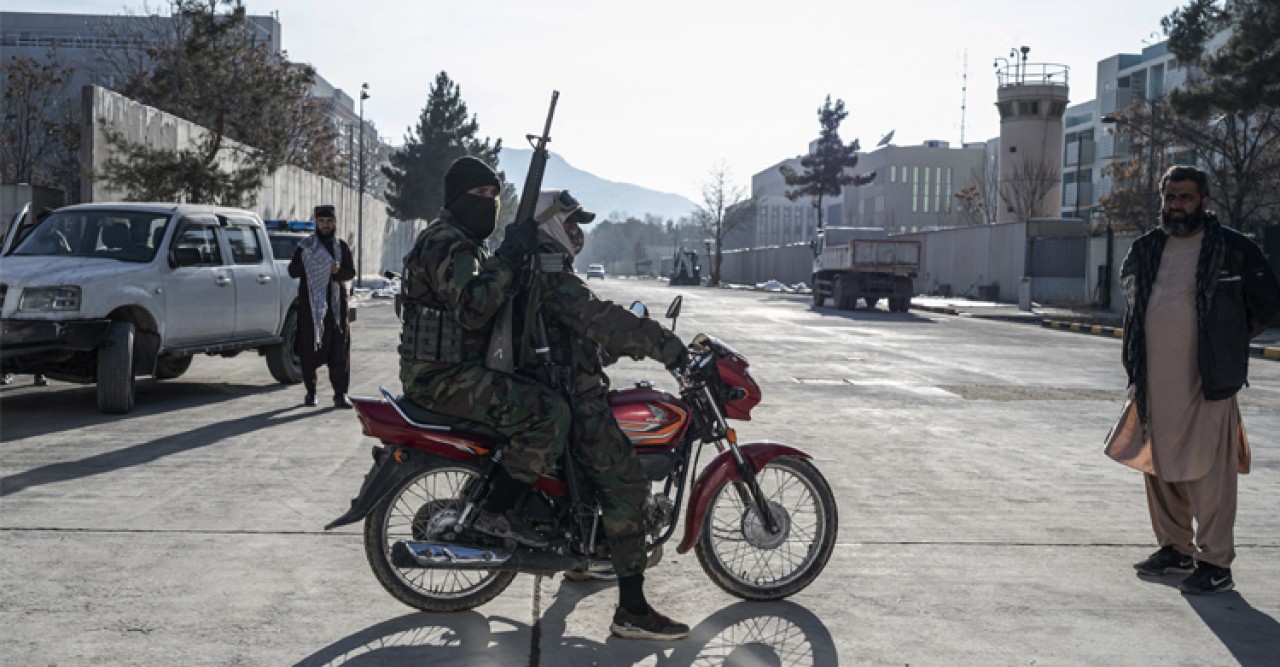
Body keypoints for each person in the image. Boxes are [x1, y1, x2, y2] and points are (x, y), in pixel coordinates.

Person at [509, 189, 690, 640]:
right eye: (570, 223)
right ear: (551, 225)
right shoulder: (550, 270)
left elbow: (576, 331)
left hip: (562, 383)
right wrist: (664, 345)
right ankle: (632, 609)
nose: (578, 232)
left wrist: (608, 350)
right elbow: (597, 316)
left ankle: (585, 561)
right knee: (627, 484)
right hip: (570, 396)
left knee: (592, 481)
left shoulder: (539, 265)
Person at [1105, 165, 1280, 595]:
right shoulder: (1147, 248)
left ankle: (1216, 563)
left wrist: (1226, 341)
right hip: (1152, 380)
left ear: (1204, 201)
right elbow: (1133, 302)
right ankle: (1176, 548)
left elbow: (1265, 302)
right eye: (1170, 197)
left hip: (1208, 380)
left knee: (1209, 473)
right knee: (1159, 466)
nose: (1176, 205)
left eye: (1185, 197)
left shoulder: (1233, 248)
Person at [398, 155, 552, 548]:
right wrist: (507, 259)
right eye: (480, 193)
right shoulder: (445, 242)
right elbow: (473, 307)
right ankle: (495, 511)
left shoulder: (465, 243)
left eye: (494, 194)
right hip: (441, 378)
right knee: (548, 414)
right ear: (458, 197)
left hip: (458, 370)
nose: (490, 201)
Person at [288, 205, 356, 408]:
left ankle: (340, 394)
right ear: (316, 223)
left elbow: (350, 272)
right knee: (310, 349)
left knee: (339, 350)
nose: (325, 226)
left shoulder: (341, 247)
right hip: (311, 308)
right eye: (321, 221)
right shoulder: (305, 246)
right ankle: (311, 392)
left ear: (335, 222)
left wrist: (337, 270)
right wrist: (310, 264)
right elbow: (293, 270)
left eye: (329, 221)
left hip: (335, 308)